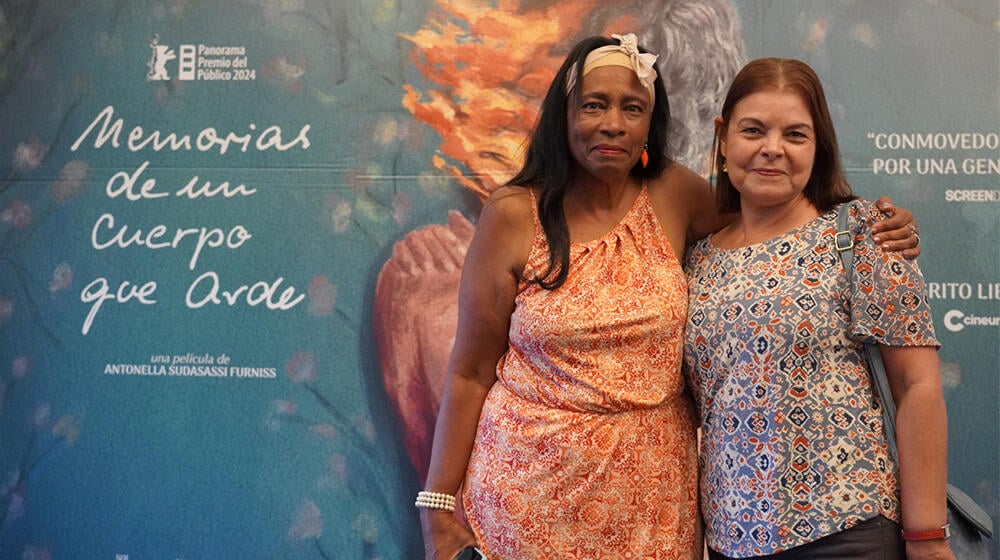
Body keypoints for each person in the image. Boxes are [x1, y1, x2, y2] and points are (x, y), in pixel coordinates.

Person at [415, 35, 922, 560]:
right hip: (525, 496)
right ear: (562, 116)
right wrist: (435, 508)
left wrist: (868, 223)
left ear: (650, 125)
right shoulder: (514, 215)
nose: (613, 122)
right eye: (594, 104)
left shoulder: (676, 194)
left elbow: (774, 211)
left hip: (654, 506)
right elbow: (470, 371)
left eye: (632, 108)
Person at [682, 58, 953, 560]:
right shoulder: (695, 260)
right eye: (753, 130)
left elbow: (918, 386)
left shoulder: (863, 235)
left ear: (818, 146)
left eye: (795, 135)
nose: (772, 148)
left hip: (846, 534)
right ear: (723, 138)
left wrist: (927, 537)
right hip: (728, 540)